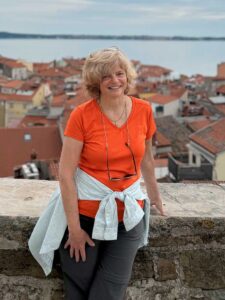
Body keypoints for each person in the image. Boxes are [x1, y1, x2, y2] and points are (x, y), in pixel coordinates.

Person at [57, 47, 165, 300]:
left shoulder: (144, 110)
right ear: (96, 82)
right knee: (78, 288)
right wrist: (74, 229)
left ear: (127, 77)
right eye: (106, 76)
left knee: (108, 291)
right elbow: (65, 173)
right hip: (85, 217)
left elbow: (147, 160)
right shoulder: (81, 116)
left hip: (128, 216)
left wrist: (155, 197)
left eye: (119, 73)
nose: (115, 81)